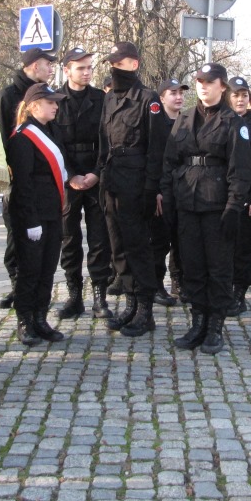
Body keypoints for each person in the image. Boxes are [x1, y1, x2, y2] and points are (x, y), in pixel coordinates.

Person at [161, 63, 251, 352]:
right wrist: (168, 196)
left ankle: (215, 326)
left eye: (210, 82)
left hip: (217, 205)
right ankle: (197, 322)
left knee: (219, 268)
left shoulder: (233, 122)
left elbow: (241, 171)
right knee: (193, 267)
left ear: (222, 86)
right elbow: (170, 160)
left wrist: (233, 208)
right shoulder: (184, 118)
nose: (203, 86)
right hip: (187, 202)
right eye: (199, 81)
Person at [98, 42, 165, 337]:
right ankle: (130, 302)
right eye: (111, 63)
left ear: (134, 64)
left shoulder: (148, 99)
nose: (113, 68)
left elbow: (157, 149)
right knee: (118, 247)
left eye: (119, 63)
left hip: (136, 184)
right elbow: (103, 143)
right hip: (112, 182)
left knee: (139, 248)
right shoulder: (109, 99)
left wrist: (151, 190)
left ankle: (146, 311)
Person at [0, 47, 56, 309]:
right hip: (17, 175)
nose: (51, 68)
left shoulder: (49, 97)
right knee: (18, 239)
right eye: (47, 64)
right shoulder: (9, 95)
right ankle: (17, 286)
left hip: (42, 176)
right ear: (32, 66)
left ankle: (31, 298)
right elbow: (1, 135)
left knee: (41, 251)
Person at [6, 84, 69, 345]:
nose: (56, 106)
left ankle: (41, 319)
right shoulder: (22, 137)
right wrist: (31, 221)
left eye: (56, 102)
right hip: (31, 216)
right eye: (50, 102)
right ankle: (25, 321)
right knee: (30, 270)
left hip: (52, 212)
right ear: (33, 105)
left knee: (47, 269)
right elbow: (23, 183)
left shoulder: (51, 131)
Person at [53, 47, 112, 320]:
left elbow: (109, 139)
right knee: (69, 237)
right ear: (67, 70)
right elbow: (53, 143)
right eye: (81, 68)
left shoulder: (102, 99)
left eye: (89, 67)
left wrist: (97, 172)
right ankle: (74, 295)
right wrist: (71, 175)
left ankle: (100, 295)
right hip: (68, 178)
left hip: (95, 175)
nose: (87, 72)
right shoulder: (54, 100)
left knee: (100, 238)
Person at [227, 75, 251, 316]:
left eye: (244, 96)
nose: (240, 100)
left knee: (243, 249)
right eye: (235, 95)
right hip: (225, 197)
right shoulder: (224, 120)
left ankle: (239, 292)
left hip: (247, 200)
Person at [150, 78, 188, 306]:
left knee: (181, 239)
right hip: (161, 191)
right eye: (172, 92)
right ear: (162, 97)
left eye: (181, 92)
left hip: (184, 189)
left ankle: (178, 282)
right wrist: (155, 189)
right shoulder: (156, 123)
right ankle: (156, 285)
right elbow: (152, 159)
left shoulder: (189, 121)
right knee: (159, 241)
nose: (178, 96)